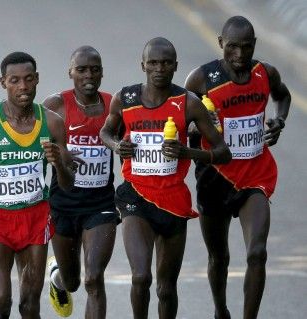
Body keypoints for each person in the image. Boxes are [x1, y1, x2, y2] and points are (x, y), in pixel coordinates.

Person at [100, 37, 231, 319]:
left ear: (175, 66)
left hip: (173, 201)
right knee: (140, 277)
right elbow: (106, 132)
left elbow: (222, 152)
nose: (159, 69)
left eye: (166, 63)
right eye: (154, 63)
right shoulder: (126, 98)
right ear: (143, 65)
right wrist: (116, 146)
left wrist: (187, 152)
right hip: (135, 195)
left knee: (166, 289)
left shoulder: (189, 103)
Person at [0, 51, 75, 319]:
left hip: (35, 218)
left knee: (30, 304)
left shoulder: (52, 123)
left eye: (28, 79)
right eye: (15, 80)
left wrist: (59, 164)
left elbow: (67, 184)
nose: (23, 87)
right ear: (3, 82)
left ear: (37, 80)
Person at [184, 16, 291, 319]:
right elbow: (179, 120)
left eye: (246, 47)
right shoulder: (201, 79)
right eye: (232, 47)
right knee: (219, 257)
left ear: (254, 45)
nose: (240, 55)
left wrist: (279, 120)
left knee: (257, 253)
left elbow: (283, 96)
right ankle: (221, 311)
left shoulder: (265, 73)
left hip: (255, 176)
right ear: (220, 44)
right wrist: (196, 133)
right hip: (214, 177)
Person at [43, 45, 119, 318]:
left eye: (94, 69)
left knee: (93, 279)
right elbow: (34, 147)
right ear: (70, 73)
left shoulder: (113, 104)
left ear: (101, 73)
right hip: (63, 203)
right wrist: (58, 155)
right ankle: (58, 279)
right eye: (82, 70)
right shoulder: (55, 106)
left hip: (101, 204)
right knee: (73, 281)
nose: (89, 75)